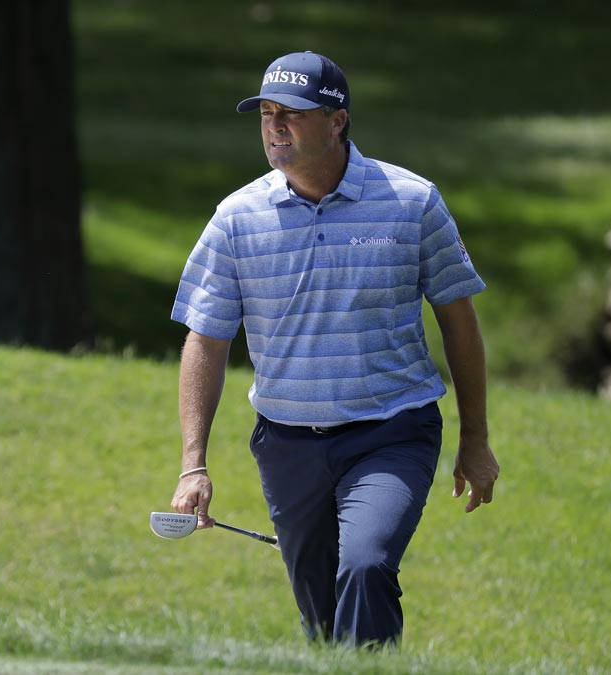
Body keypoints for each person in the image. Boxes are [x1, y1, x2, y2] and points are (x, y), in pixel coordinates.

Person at [168, 51, 500, 647]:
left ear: (338, 120)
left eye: (291, 113)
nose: (275, 127)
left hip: (391, 432)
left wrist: (475, 440)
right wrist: (194, 464)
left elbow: (459, 322)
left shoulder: (412, 202)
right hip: (288, 444)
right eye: (266, 114)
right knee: (322, 622)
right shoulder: (236, 219)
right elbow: (206, 339)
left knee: (368, 565)